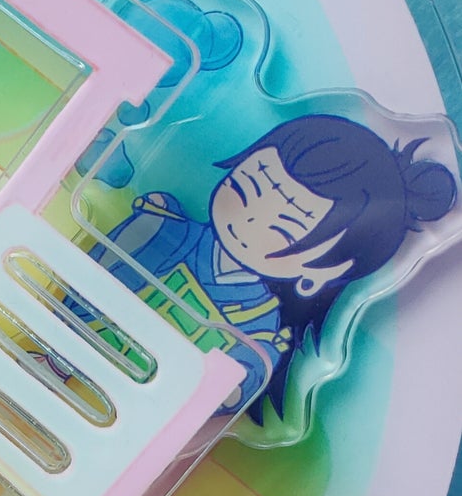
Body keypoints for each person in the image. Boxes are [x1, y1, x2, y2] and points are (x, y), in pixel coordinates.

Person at [96, 114, 456, 419]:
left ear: (324, 272)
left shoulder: (260, 328)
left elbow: (231, 389)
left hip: (125, 409)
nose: (250, 217)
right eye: (245, 188)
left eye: (284, 227)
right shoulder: (167, 230)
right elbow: (99, 274)